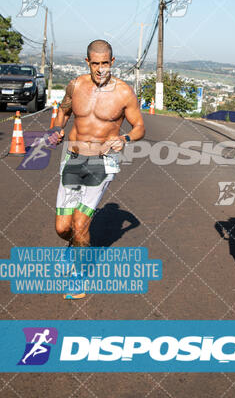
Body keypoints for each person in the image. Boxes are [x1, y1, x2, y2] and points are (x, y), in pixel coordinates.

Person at [50, 39, 145, 299]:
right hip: (73, 157)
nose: (101, 69)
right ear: (87, 62)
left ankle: (78, 278)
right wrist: (57, 129)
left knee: (80, 224)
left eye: (105, 63)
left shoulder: (124, 93)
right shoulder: (76, 85)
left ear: (112, 62)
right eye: (95, 64)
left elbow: (139, 128)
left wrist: (124, 139)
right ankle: (71, 246)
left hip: (102, 162)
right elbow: (64, 112)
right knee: (62, 227)